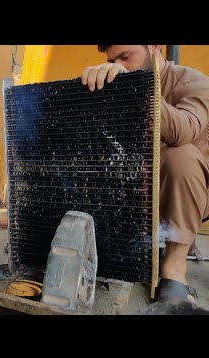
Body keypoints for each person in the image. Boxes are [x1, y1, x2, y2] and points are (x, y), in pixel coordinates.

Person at [81, 45, 209, 307]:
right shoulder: (114, 83)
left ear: (155, 47)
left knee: (179, 155)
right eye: (113, 60)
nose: (119, 65)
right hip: (137, 189)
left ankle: (174, 268)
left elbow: (182, 131)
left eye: (126, 56)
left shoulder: (194, 81)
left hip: (189, 192)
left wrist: (137, 89)